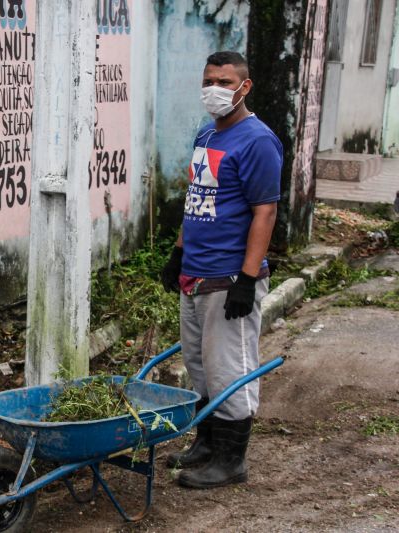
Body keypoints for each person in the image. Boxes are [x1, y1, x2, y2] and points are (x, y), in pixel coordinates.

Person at [160, 51, 282, 489]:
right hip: (196, 272)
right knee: (199, 364)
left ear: (244, 87)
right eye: (209, 80)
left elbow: (264, 212)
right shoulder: (207, 133)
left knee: (229, 367)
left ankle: (232, 460)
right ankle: (207, 444)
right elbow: (196, 199)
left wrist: (247, 280)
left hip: (229, 277)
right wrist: (178, 254)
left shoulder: (257, 140)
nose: (215, 89)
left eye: (225, 82)